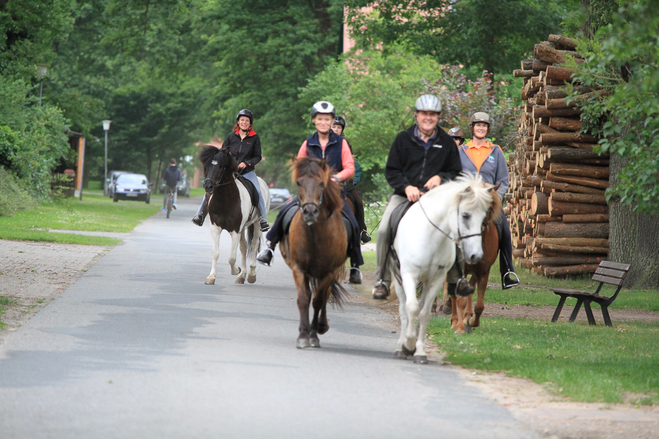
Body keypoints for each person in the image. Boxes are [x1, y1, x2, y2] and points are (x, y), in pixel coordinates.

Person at [371, 94, 469, 300]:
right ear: (416, 115)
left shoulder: (446, 143)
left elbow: (455, 172)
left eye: (433, 114)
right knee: (383, 230)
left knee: (455, 226)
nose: (428, 118)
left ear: (438, 117)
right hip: (404, 197)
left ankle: (457, 278)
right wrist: (406, 187)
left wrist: (440, 179)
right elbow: (392, 171)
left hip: (435, 198)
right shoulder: (402, 139)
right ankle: (382, 280)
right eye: (424, 113)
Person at [256, 101, 364, 283]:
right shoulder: (308, 143)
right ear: (314, 121)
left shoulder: (341, 143)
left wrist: (336, 177)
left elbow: (350, 167)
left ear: (331, 121)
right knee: (286, 211)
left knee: (352, 222)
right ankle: (269, 247)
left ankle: (355, 265)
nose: (323, 122)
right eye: (320, 119)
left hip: (334, 191)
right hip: (310, 191)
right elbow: (298, 165)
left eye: (327, 119)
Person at [456, 112, 519, 289]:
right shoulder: (461, 151)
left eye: (484, 125)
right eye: (478, 125)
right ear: (472, 128)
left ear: (488, 128)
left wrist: (496, 199)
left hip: (488, 202)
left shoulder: (495, 151)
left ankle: (508, 272)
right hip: (467, 201)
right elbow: (455, 178)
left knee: (504, 230)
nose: (481, 128)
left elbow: (504, 180)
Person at [192, 109, 269, 232]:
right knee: (212, 187)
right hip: (231, 172)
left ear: (250, 123)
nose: (244, 122)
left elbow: (257, 156)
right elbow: (223, 153)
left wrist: (247, 163)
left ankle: (262, 219)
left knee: (258, 191)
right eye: (242, 120)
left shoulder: (255, 138)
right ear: (238, 122)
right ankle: (200, 214)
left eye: (247, 120)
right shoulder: (231, 137)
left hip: (247, 172)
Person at [331, 116, 371, 244]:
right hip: (327, 182)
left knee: (358, 202)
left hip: (344, 183)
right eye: (334, 127)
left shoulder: (345, 143)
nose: (336, 129)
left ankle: (362, 231)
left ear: (342, 130)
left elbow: (355, 166)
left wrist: (353, 181)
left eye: (339, 127)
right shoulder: (323, 142)